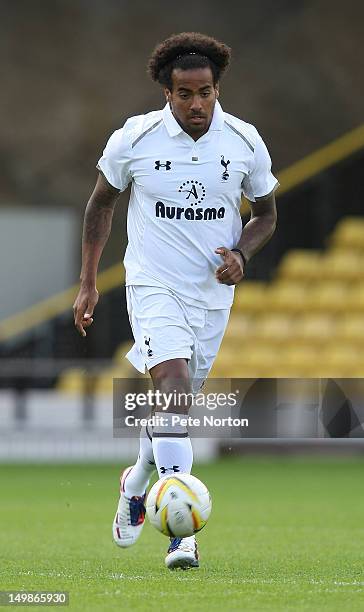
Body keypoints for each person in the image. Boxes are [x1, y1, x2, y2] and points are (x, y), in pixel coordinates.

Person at [73, 32, 278, 570]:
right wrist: (90, 281)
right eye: (184, 94)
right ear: (167, 92)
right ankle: (181, 532)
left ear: (217, 89)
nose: (196, 104)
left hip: (210, 297)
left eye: (205, 92)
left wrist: (241, 253)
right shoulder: (135, 139)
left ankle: (136, 480)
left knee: (175, 408)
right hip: (151, 284)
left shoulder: (244, 140)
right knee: (171, 383)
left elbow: (267, 214)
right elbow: (100, 206)